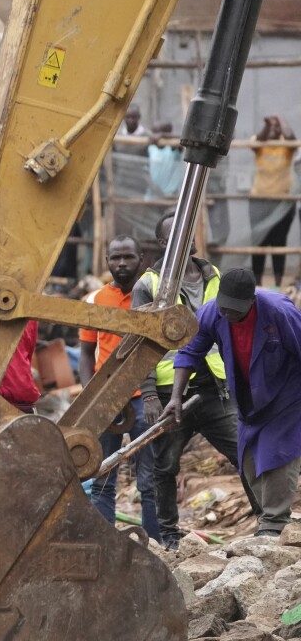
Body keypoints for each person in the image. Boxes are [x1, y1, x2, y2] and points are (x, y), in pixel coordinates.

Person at [163, 268, 301, 536]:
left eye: (236, 311)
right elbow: (190, 352)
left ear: (252, 300)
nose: (229, 315)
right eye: (225, 308)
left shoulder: (278, 311)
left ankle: (274, 524)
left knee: (277, 454)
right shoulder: (211, 312)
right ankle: (266, 519)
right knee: (248, 459)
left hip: (287, 394)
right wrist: (175, 397)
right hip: (248, 396)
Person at [133, 213, 239, 548]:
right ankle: (170, 538)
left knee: (246, 453)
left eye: (189, 232)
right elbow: (139, 344)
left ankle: (267, 525)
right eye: (176, 234)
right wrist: (149, 395)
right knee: (164, 468)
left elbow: (228, 330)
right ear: (163, 243)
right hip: (168, 393)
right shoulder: (148, 285)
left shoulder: (214, 274)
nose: (187, 238)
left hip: (215, 388)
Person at [79, 235, 160, 540]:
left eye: (128, 257)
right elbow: (86, 353)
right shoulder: (96, 300)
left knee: (150, 479)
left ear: (142, 260)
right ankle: (105, 541)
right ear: (107, 262)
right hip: (106, 398)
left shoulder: (152, 296)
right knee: (101, 475)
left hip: (144, 398)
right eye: (116, 258)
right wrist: (92, 397)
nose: (122, 263)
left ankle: (156, 544)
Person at [251, 115, 298, 287]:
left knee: (279, 241)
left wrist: (280, 120)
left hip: (282, 202)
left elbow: (292, 138)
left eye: (276, 128)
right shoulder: (260, 144)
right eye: (271, 128)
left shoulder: (286, 147)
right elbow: (259, 139)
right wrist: (267, 124)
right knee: (259, 242)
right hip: (259, 201)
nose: (273, 130)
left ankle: (277, 284)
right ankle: (258, 284)